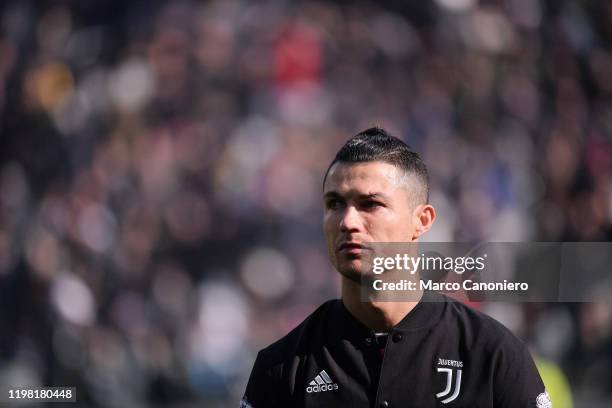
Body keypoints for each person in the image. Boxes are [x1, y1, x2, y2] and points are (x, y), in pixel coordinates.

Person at [241, 128, 551, 408]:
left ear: (422, 221)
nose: (348, 221)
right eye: (334, 204)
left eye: (370, 204)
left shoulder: (493, 355)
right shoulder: (282, 366)